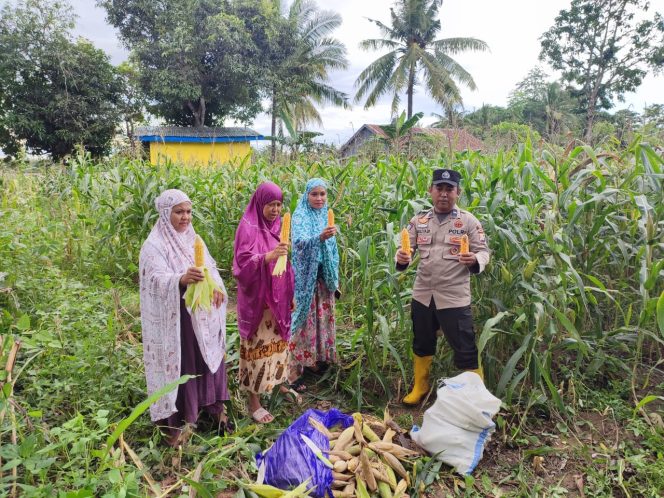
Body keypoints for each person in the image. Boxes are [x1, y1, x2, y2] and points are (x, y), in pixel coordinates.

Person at [139, 189, 229, 447]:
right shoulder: (154, 244)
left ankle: (211, 406)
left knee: (207, 358)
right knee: (185, 365)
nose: (185, 217)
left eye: (188, 212)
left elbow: (210, 268)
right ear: (166, 213)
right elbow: (154, 279)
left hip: (202, 317)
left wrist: (217, 289)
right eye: (179, 212)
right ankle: (179, 420)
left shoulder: (193, 238)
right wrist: (180, 279)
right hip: (178, 320)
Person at [396, 169, 490, 406]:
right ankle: (420, 386)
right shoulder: (419, 221)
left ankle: (475, 397)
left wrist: (475, 261)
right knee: (422, 341)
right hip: (423, 294)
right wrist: (402, 258)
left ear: (458, 192)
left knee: (465, 347)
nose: (444, 194)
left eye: (450, 189)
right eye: (439, 188)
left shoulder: (468, 221)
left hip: (454, 296)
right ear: (431, 190)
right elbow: (407, 251)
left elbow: (484, 251)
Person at [233, 182, 298, 424]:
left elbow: (285, 263)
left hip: (277, 299)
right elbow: (240, 266)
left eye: (279, 204)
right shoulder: (248, 228)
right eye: (271, 204)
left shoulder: (279, 225)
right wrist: (267, 257)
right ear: (260, 203)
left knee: (279, 345)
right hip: (258, 301)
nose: (275, 209)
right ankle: (254, 401)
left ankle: (278, 383)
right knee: (257, 351)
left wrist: (289, 294)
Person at [288, 178, 339, 389]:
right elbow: (298, 245)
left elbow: (334, 252)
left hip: (323, 279)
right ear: (306, 195)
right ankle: (295, 369)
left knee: (321, 319)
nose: (319, 198)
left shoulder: (325, 215)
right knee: (303, 320)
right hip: (305, 279)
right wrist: (319, 237)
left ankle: (316, 360)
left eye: (322, 194)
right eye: (314, 194)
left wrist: (335, 278)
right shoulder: (300, 216)